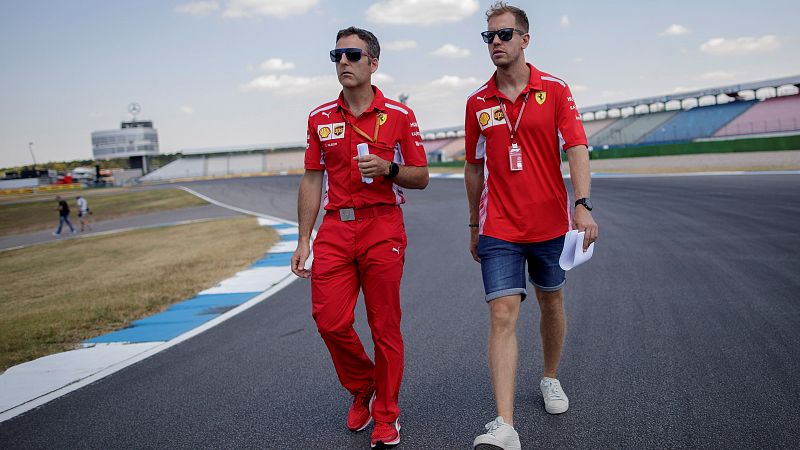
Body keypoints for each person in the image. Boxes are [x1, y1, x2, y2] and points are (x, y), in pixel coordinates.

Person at [464, 2, 599, 449]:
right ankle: (505, 424)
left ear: (525, 39)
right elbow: (473, 168)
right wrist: (472, 224)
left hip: (550, 224)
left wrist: (582, 205)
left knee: (552, 303)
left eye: (504, 35)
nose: (496, 43)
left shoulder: (555, 90)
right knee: (502, 313)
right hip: (499, 226)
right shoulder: (477, 102)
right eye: (489, 37)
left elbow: (577, 147)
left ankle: (550, 377)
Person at [291, 26, 429, 449]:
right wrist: (304, 239)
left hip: (382, 224)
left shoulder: (400, 116)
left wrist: (389, 169)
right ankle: (363, 384)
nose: (344, 62)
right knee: (329, 320)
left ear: (373, 62)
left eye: (353, 55)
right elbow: (312, 180)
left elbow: (421, 176)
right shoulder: (320, 117)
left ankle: (386, 414)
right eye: (337, 55)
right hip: (335, 227)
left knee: (385, 326)